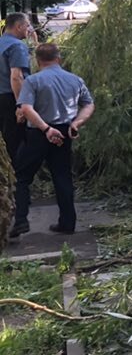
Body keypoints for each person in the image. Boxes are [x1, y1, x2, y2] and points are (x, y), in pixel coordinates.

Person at [9, 43, 94, 237]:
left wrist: (46, 128)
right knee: (62, 176)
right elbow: (88, 105)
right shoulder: (75, 80)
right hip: (64, 132)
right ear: (59, 58)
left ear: (38, 61)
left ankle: (21, 220)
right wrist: (77, 123)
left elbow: (26, 109)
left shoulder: (33, 81)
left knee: (21, 177)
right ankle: (67, 222)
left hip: (38, 133)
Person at [0, 13, 32, 165]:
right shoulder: (17, 46)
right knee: (15, 140)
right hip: (10, 97)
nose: (29, 29)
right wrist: (21, 104)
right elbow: (16, 77)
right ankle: (17, 179)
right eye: (27, 25)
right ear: (19, 27)